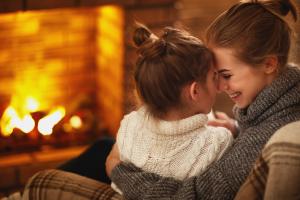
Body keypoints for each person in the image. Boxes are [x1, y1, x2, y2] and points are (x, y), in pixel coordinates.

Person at [21, 0, 300, 199]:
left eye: (226, 74)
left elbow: (191, 195)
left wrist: (119, 170)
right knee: (103, 145)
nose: (220, 84)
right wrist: (235, 129)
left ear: (268, 64)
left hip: (158, 190)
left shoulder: (269, 130)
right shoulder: (278, 96)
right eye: (216, 74)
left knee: (44, 182)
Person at [108, 24, 232, 193]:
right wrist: (234, 129)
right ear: (195, 91)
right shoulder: (218, 142)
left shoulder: (130, 125)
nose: (219, 86)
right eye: (214, 77)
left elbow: (112, 162)